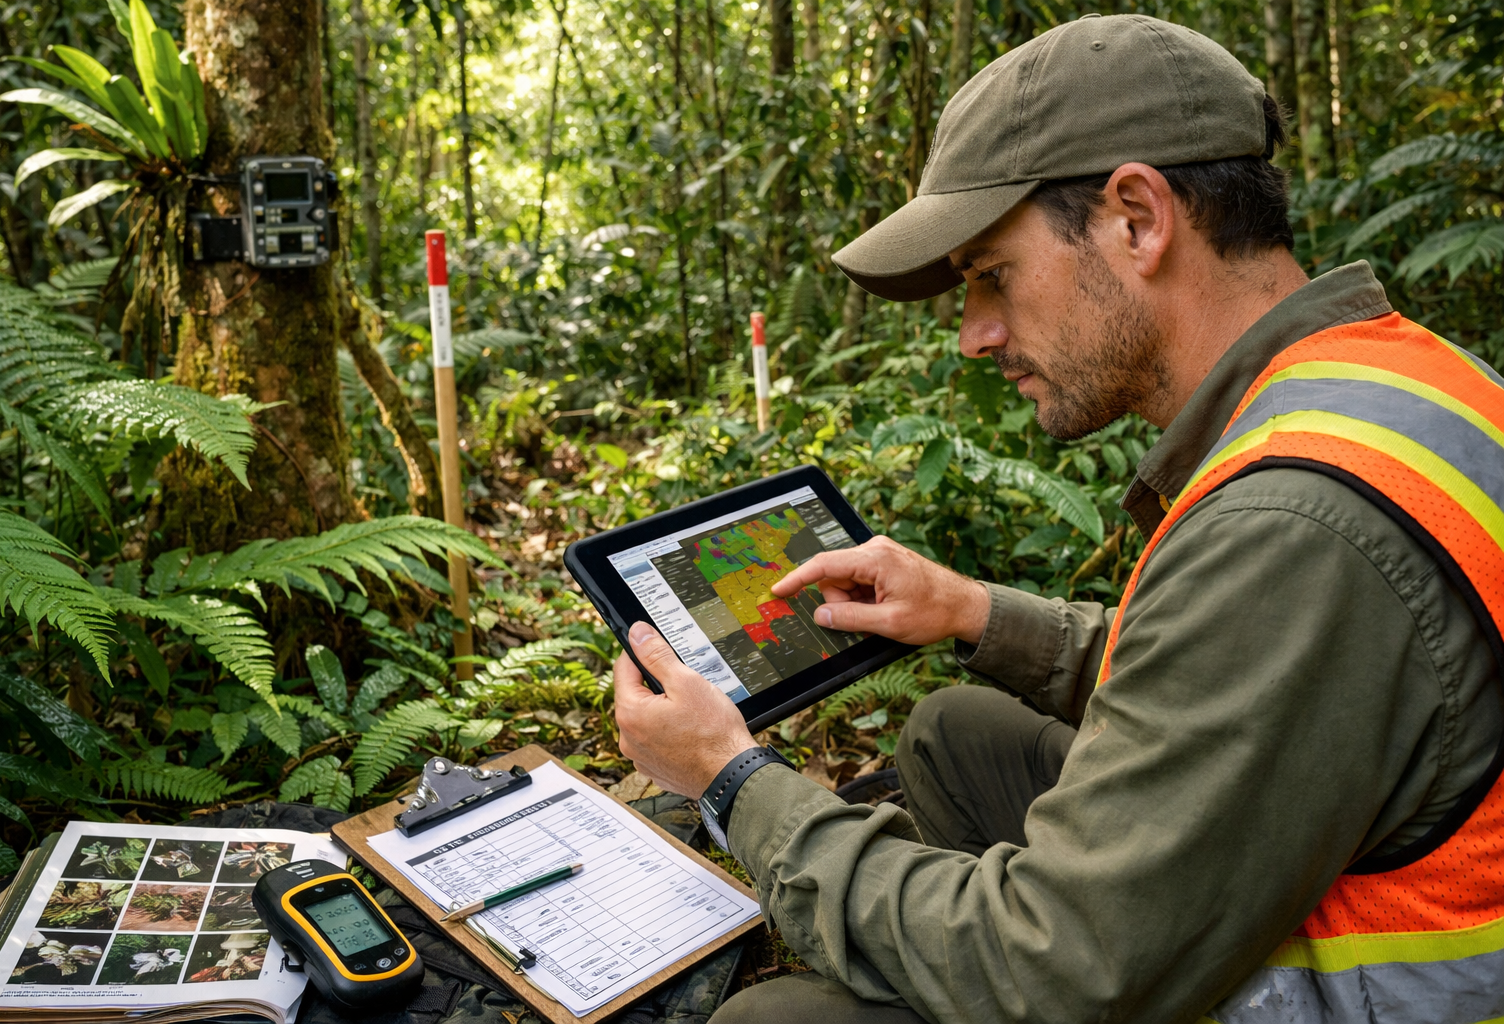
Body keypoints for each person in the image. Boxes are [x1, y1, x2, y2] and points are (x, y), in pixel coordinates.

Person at [613, 13, 1504, 1024]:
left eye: (992, 275)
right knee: (955, 733)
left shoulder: (1292, 527)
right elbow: (1235, 685)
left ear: (1137, 217)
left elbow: (1061, 970)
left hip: (1352, 991)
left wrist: (732, 781)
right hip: (1324, 858)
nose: (972, 336)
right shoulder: (1394, 381)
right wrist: (973, 612)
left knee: (772, 1023)